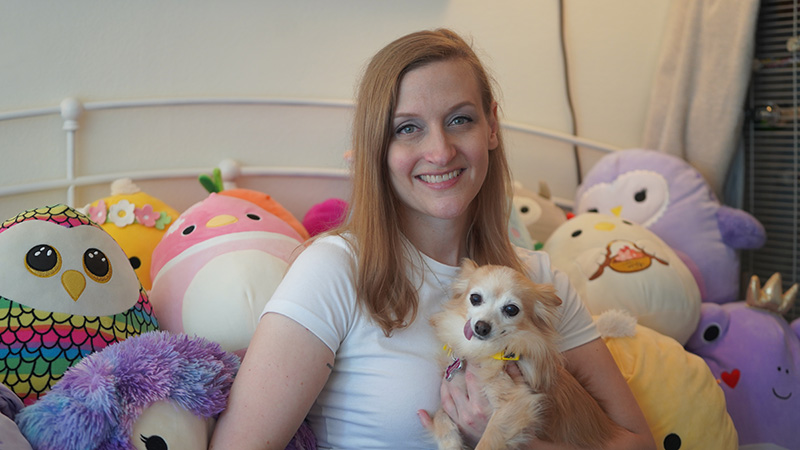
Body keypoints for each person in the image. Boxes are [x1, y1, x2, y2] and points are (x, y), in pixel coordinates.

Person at [209, 29, 655, 450]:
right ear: (377, 147)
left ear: (491, 127)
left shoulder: (537, 283)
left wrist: (507, 441)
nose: (440, 152)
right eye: (407, 128)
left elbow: (639, 443)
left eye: (460, 120)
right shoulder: (334, 270)